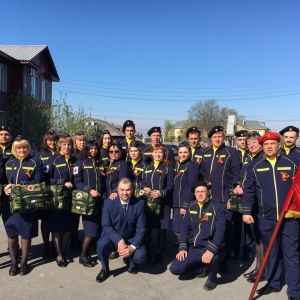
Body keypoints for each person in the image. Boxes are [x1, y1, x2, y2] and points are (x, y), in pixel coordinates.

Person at [242, 132, 300, 298]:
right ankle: (274, 283)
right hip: (266, 218)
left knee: (291, 254)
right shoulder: (255, 165)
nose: (269, 146)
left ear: (278, 145)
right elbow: (249, 191)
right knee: (270, 252)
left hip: (290, 218)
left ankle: (294, 291)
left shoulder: (291, 163)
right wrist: (246, 211)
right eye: (266, 144)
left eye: (272, 143)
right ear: (262, 146)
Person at [170, 180, 226, 291]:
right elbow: (185, 227)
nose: (200, 194)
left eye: (203, 191)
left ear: (208, 192)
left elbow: (220, 231)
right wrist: (182, 248)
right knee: (175, 268)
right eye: (197, 191)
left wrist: (211, 250)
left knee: (214, 257)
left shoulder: (217, 207)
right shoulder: (191, 206)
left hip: (209, 246)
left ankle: (212, 278)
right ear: (194, 193)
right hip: (194, 248)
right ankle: (201, 269)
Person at [199, 125, 240, 273]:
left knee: (226, 231)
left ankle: (224, 261)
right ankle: (206, 262)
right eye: (215, 136)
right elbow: (202, 171)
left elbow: (237, 176)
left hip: (224, 199)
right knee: (208, 230)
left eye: (220, 136)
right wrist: (204, 181)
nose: (217, 139)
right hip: (208, 200)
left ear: (224, 137)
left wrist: (232, 198)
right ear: (210, 138)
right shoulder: (206, 152)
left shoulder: (231, 152)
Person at [2, 136, 43, 276]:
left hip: (27, 204)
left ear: (28, 148)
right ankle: (14, 263)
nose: (22, 150)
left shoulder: (34, 162)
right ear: (14, 149)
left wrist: (18, 186)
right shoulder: (8, 162)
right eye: (19, 148)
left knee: (26, 234)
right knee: (11, 234)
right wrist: (5, 187)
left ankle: (24, 262)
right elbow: (3, 180)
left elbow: (37, 182)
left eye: (24, 147)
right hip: (10, 205)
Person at [96, 177, 147, 282]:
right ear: (117, 190)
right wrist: (119, 241)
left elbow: (141, 229)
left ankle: (129, 260)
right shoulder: (108, 203)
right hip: (113, 236)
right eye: (122, 190)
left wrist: (132, 247)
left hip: (131, 237)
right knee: (101, 244)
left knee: (141, 256)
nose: (125, 193)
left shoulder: (139, 204)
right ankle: (105, 269)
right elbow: (106, 225)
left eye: (128, 190)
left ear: (132, 190)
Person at [231, 131, 265, 283]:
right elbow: (244, 177)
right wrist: (238, 185)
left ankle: (262, 269)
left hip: (260, 204)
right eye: (249, 142)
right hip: (249, 202)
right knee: (257, 237)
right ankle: (258, 268)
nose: (251, 145)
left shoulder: (262, 159)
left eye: (254, 142)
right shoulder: (248, 158)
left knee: (261, 238)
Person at [74, 138, 105, 267]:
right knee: (90, 232)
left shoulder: (100, 162)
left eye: (95, 148)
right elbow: (77, 182)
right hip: (87, 201)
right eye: (90, 148)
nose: (93, 150)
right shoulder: (80, 163)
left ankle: (88, 254)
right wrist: (89, 190)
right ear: (86, 149)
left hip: (101, 200)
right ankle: (82, 256)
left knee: (98, 229)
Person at [47, 133, 77, 267]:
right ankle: (58, 254)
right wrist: (62, 182)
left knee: (68, 228)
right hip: (57, 199)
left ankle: (63, 251)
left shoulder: (75, 159)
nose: (67, 146)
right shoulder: (53, 159)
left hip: (71, 199)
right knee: (57, 228)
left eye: (69, 144)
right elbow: (47, 179)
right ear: (59, 145)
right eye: (64, 144)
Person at [142, 144, 174, 264]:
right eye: (155, 152)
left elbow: (171, 186)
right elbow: (143, 181)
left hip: (162, 203)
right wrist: (145, 187)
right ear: (152, 154)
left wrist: (161, 192)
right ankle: (148, 253)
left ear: (164, 154)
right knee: (148, 229)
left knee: (161, 230)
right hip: (150, 203)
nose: (157, 154)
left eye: (160, 152)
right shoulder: (148, 167)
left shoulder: (168, 168)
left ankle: (160, 255)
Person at [35, 129, 59, 258]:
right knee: (45, 221)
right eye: (50, 140)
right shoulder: (40, 155)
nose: (52, 142)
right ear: (46, 141)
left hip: (59, 193)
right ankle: (46, 246)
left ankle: (56, 247)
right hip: (45, 192)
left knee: (56, 220)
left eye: (55, 139)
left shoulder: (61, 154)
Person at [104, 142, 129, 260]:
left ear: (120, 152)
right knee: (106, 223)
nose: (114, 153)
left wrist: (115, 191)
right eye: (111, 151)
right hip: (105, 198)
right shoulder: (105, 164)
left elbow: (122, 180)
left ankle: (117, 248)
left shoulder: (123, 164)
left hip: (116, 197)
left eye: (116, 151)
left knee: (116, 223)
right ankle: (110, 245)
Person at [173, 142, 199, 241]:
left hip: (184, 203)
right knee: (177, 229)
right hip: (176, 203)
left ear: (190, 152)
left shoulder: (191, 166)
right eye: (180, 152)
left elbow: (192, 186)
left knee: (180, 230)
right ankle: (183, 248)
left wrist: (185, 205)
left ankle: (185, 250)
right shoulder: (178, 165)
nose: (183, 155)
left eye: (185, 152)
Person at [231, 129, 249, 260]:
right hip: (235, 192)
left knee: (248, 224)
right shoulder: (233, 153)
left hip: (249, 192)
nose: (242, 142)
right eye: (240, 140)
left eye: (244, 140)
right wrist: (235, 185)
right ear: (236, 141)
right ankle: (235, 249)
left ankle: (247, 250)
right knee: (236, 223)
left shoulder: (252, 153)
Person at [71, 131, 87, 249]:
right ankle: (74, 239)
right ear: (75, 142)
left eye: (84, 140)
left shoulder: (87, 153)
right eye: (80, 140)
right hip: (74, 188)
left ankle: (89, 239)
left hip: (85, 189)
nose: (82, 142)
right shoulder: (72, 155)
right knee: (74, 217)